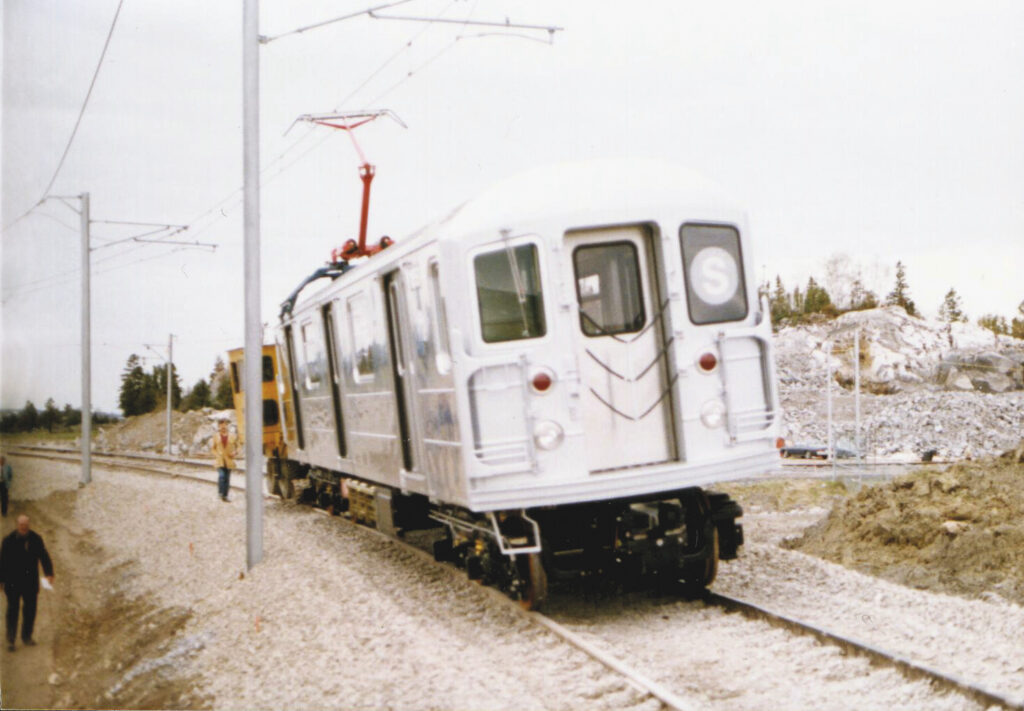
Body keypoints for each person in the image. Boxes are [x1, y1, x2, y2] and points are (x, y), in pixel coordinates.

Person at [0, 515, 54, 652]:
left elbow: (44, 556)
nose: (23, 526)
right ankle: (11, 640)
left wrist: (49, 573)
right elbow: (2, 562)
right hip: (13, 582)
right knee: (12, 610)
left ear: (28, 524)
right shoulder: (8, 540)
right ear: (17, 524)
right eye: (21, 524)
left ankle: (26, 636)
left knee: (30, 610)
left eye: (26, 524)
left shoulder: (36, 539)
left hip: (30, 582)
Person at [211, 418, 239, 502]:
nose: (223, 426)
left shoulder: (233, 436)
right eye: (221, 425)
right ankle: (220, 493)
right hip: (220, 460)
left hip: (229, 460)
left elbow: (238, 447)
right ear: (219, 426)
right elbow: (213, 448)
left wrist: (235, 452)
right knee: (222, 476)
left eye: (225, 424)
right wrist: (216, 455)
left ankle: (225, 495)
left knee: (227, 478)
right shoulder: (216, 436)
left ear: (227, 426)